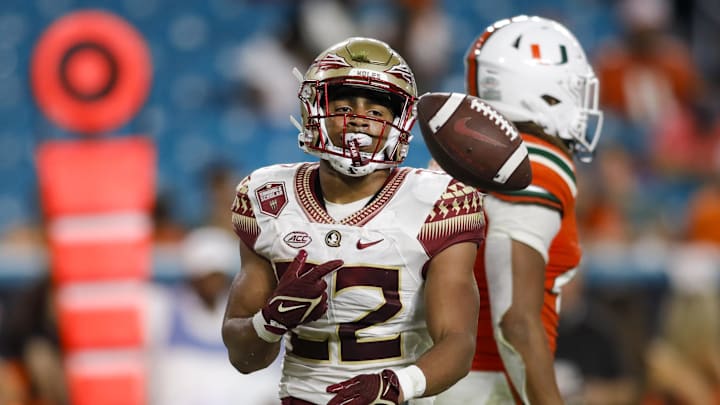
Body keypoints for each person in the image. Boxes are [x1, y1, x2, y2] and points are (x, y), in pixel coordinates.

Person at [221, 37, 486, 404]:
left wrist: (392, 386)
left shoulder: (437, 202)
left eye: (377, 112)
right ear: (313, 109)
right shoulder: (268, 197)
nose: (359, 121)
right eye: (344, 106)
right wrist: (270, 320)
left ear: (400, 121)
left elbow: (458, 344)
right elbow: (244, 358)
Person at [435, 16, 604, 404]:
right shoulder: (533, 166)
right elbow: (516, 322)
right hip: (478, 388)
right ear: (538, 90)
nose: (581, 103)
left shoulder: (457, 157)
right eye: (572, 89)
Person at [147, 226, 280, 405]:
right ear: (192, 275)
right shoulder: (162, 308)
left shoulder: (251, 310)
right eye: (204, 275)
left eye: (216, 275)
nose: (211, 283)